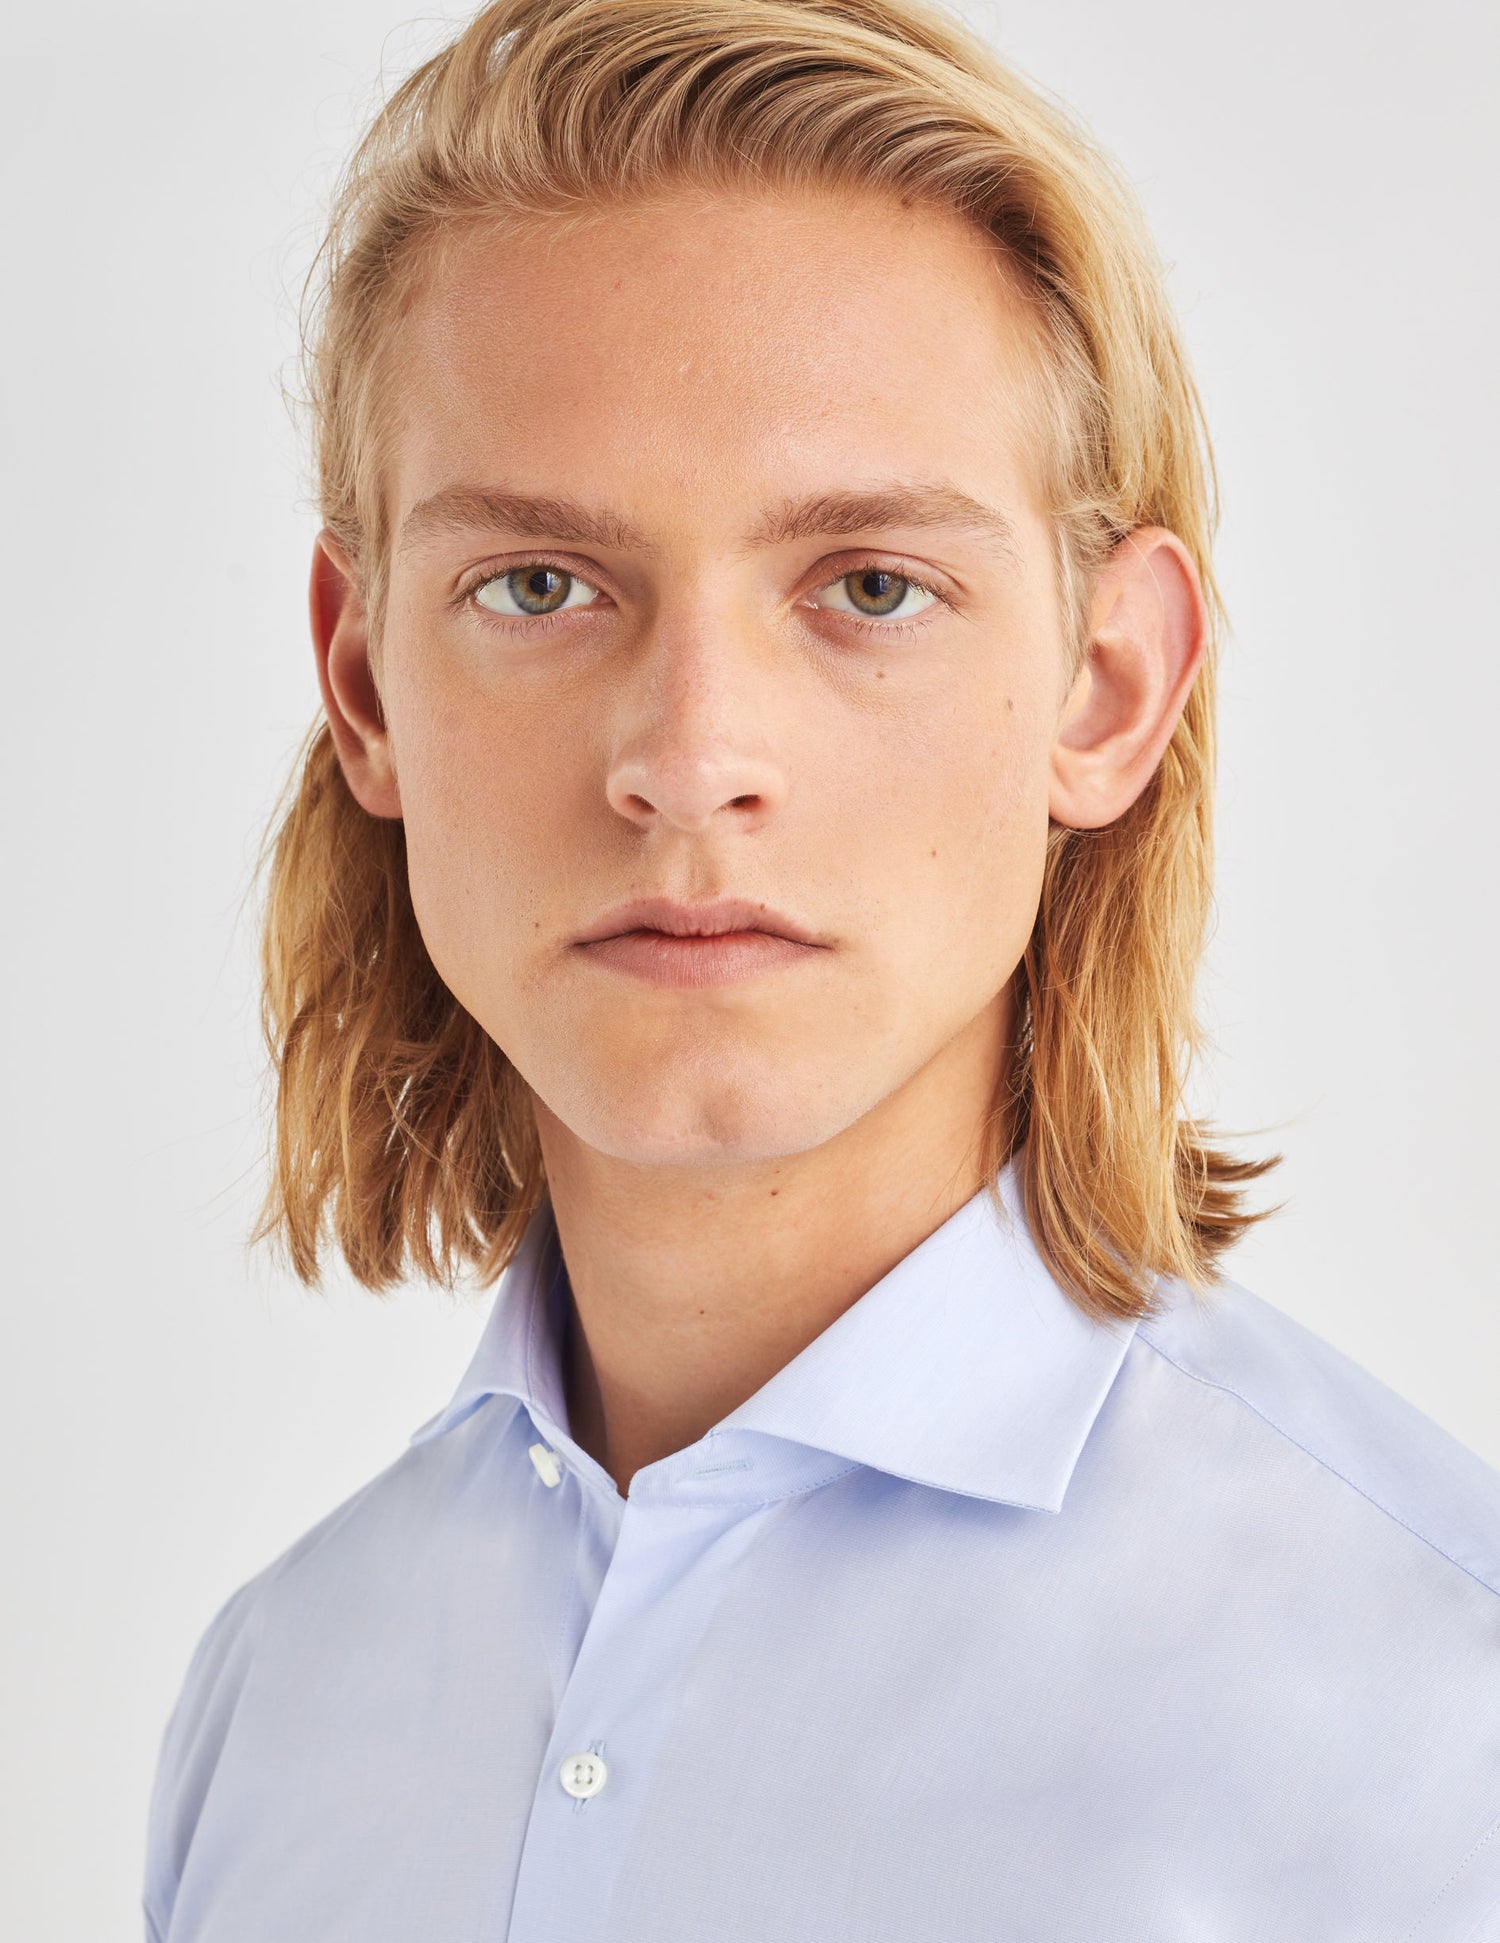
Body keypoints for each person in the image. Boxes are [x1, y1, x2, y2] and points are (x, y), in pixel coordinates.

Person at [142, 0, 1500, 1936]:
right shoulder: (281, 1702)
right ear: (364, 685)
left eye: (872, 587)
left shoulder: (1432, 1726)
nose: (691, 758)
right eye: (538, 585)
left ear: (1108, 688)